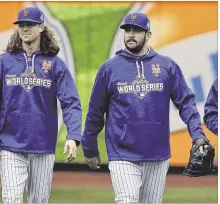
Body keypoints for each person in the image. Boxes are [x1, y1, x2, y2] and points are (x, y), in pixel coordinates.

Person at [81, 12, 211, 203]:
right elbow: (95, 111)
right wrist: (89, 147)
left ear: (148, 35)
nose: (131, 35)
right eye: (127, 30)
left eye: (137, 30)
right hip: (122, 153)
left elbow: (186, 103)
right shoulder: (109, 69)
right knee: (127, 199)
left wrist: (197, 135)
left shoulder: (166, 66)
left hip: (157, 153)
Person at [0, 7, 82, 204]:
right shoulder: (4, 62)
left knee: (39, 201)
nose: (25, 28)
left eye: (30, 24)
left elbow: (71, 102)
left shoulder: (55, 64)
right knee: (11, 199)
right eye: (21, 25)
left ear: (41, 27)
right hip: (10, 145)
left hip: (42, 145)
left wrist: (73, 136)